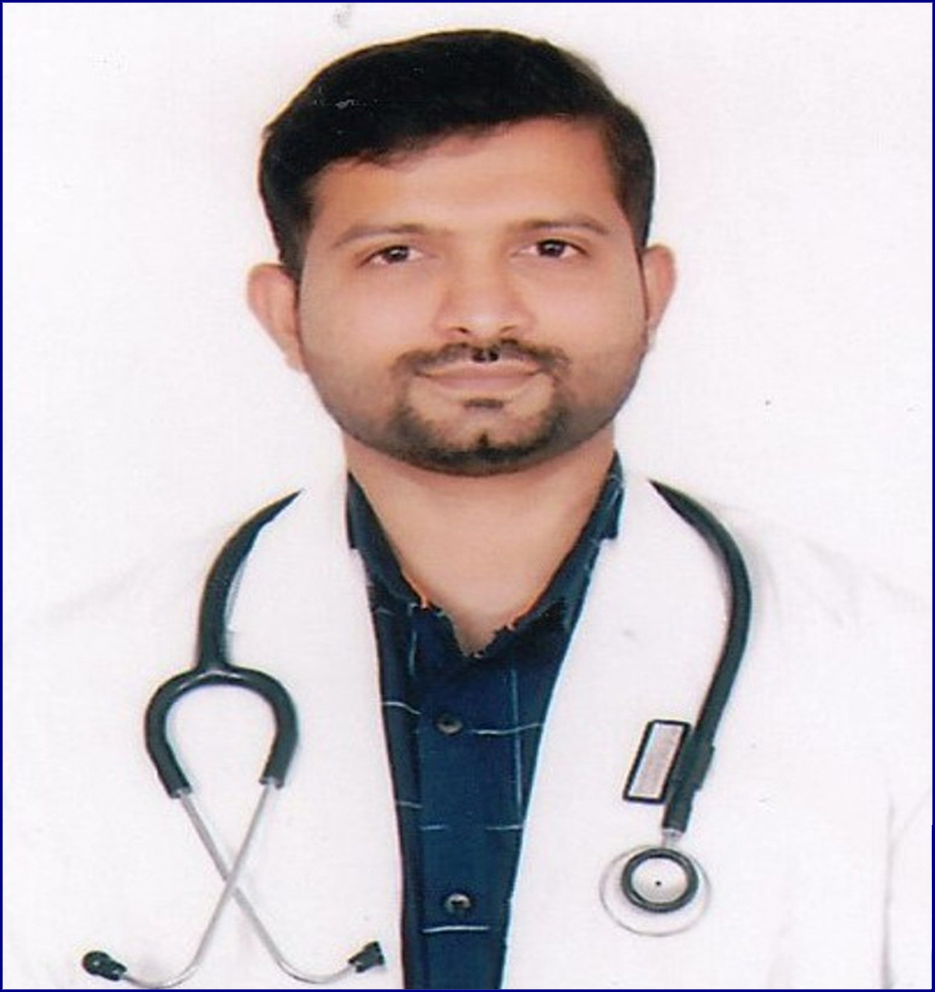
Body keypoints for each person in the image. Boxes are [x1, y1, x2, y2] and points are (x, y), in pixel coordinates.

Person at [4, 27, 929, 991]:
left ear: (650, 293)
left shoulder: (894, 681)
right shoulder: (51, 696)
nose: (482, 314)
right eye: (397, 253)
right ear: (285, 314)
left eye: (551, 248)